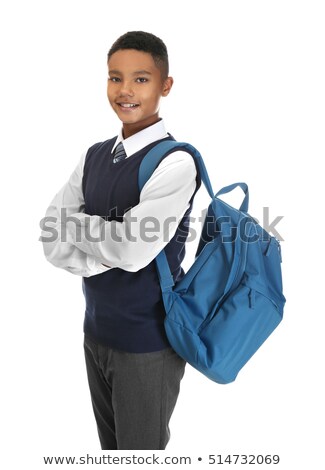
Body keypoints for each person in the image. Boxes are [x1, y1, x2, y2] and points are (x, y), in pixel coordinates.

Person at [41, 31, 201, 450]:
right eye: (115, 78)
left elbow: (132, 250)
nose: (125, 90)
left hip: (147, 342)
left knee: (140, 455)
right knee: (111, 453)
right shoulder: (94, 154)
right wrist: (105, 248)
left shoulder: (176, 162)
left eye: (141, 79)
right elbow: (49, 232)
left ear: (165, 85)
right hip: (95, 332)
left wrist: (78, 226)